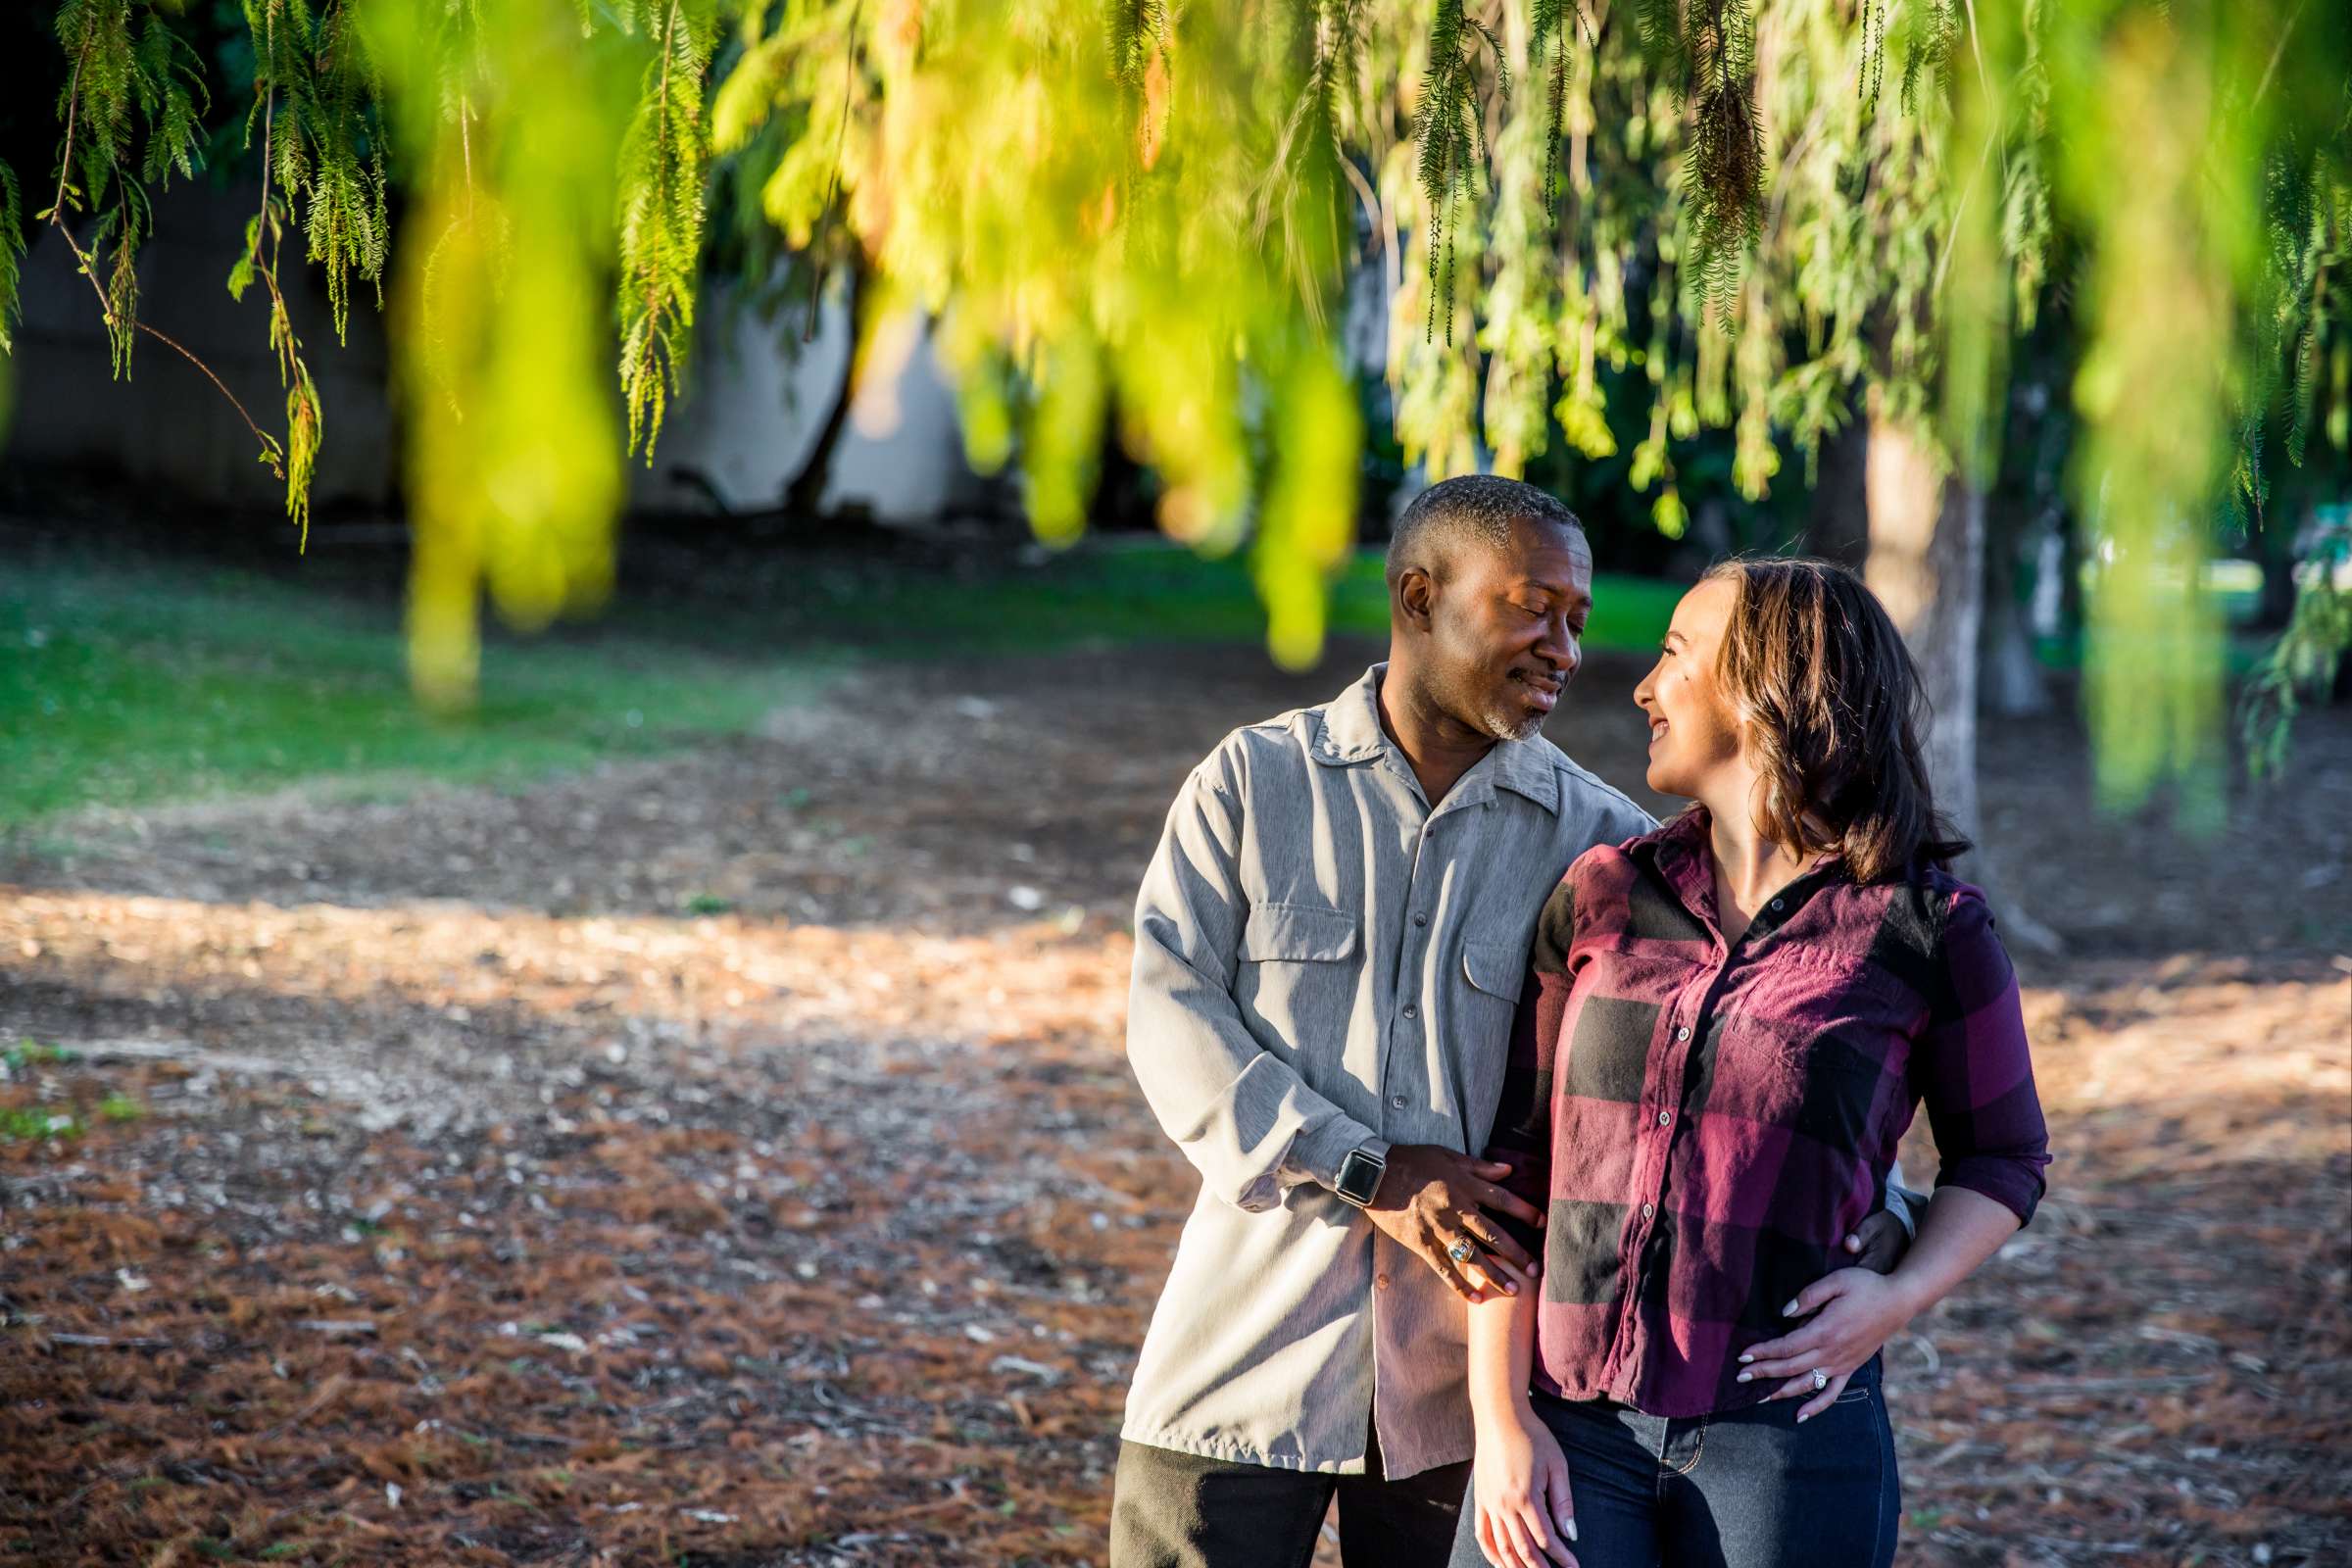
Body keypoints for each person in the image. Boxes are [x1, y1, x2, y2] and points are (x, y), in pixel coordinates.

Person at [1112, 483, 1913, 1568]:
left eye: (1580, 619)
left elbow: (1728, 1053)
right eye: (1534, 607)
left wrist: (1883, 1212)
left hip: (1471, 1411)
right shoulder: (1252, 785)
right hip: (1242, 1361)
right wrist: (1372, 1170)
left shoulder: (1614, 854)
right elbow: (1173, 1022)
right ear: (1418, 595)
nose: (1568, 650)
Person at [1452, 558, 2053, 1568]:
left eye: (1675, 654)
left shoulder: (1927, 931)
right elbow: (1514, 1170)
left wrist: (1895, 1298)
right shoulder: (1601, 893)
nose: (1643, 686)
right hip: (1570, 1433)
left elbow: (2004, 1157)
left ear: (1771, 688)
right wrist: (1502, 1422)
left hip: (1787, 1441)